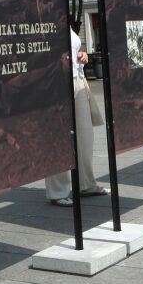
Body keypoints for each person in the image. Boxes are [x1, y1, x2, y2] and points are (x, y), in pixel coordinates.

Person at [45, 28, 108, 206]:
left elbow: (71, 50)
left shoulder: (63, 17)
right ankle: (58, 191)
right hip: (55, 82)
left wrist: (81, 55)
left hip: (77, 78)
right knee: (58, 137)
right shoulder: (41, 15)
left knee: (85, 135)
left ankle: (86, 184)